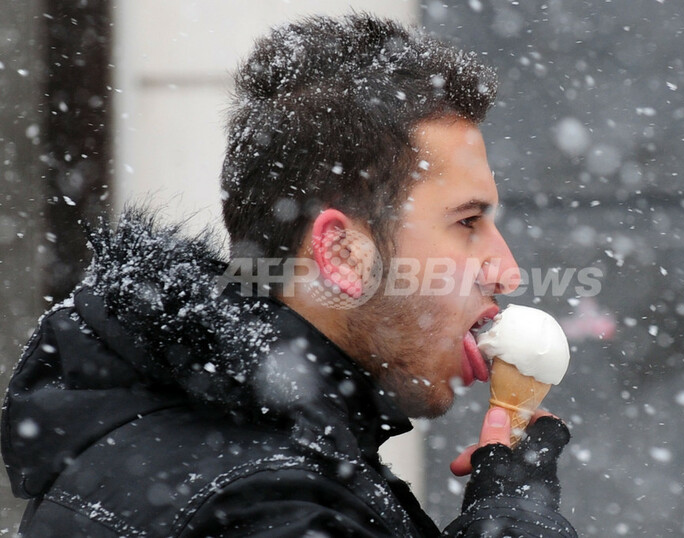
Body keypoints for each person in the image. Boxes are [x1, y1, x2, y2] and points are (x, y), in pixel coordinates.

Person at [1, 14, 577, 537]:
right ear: (343, 254)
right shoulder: (267, 504)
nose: (507, 271)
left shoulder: (212, 450)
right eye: (468, 221)